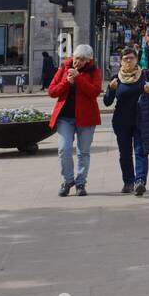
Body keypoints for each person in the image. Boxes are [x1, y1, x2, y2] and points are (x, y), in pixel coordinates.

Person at [104, 48, 149, 197]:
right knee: (124, 154)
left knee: (140, 151)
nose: (128, 61)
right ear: (120, 61)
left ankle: (140, 181)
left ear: (136, 60)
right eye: (125, 58)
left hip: (142, 120)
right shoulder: (116, 78)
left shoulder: (144, 75)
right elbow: (107, 102)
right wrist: (111, 89)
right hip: (121, 122)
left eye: (131, 58)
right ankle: (128, 182)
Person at [48, 44, 103, 197]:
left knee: (83, 152)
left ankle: (80, 183)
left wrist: (78, 79)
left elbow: (94, 92)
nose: (77, 62)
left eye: (81, 59)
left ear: (88, 61)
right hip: (65, 118)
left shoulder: (94, 72)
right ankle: (67, 180)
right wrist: (67, 82)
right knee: (63, 149)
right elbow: (52, 91)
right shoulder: (64, 68)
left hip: (86, 118)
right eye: (76, 58)